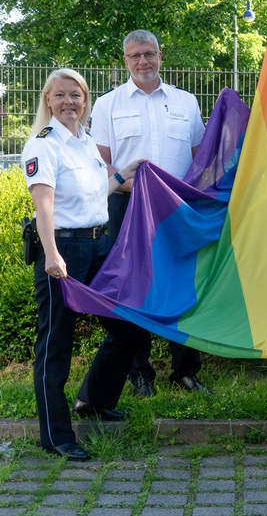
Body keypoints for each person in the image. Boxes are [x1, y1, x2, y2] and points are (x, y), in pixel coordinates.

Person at [21, 68, 150, 462]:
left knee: (128, 327)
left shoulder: (86, 141)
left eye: (75, 95)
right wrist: (52, 254)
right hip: (63, 250)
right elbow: (43, 205)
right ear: (48, 101)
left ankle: (94, 402)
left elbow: (97, 191)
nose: (68, 102)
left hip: (98, 247)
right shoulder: (44, 145)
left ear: (85, 99)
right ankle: (56, 435)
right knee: (56, 342)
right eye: (60, 95)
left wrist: (126, 174)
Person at [90, 29, 208, 397]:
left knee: (183, 285)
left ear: (161, 56)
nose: (143, 61)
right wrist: (133, 187)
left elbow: (202, 158)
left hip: (177, 211)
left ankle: (185, 371)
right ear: (124, 60)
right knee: (133, 287)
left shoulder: (186, 102)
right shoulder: (107, 105)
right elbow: (100, 164)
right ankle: (140, 374)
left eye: (149, 54)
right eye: (135, 55)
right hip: (127, 206)